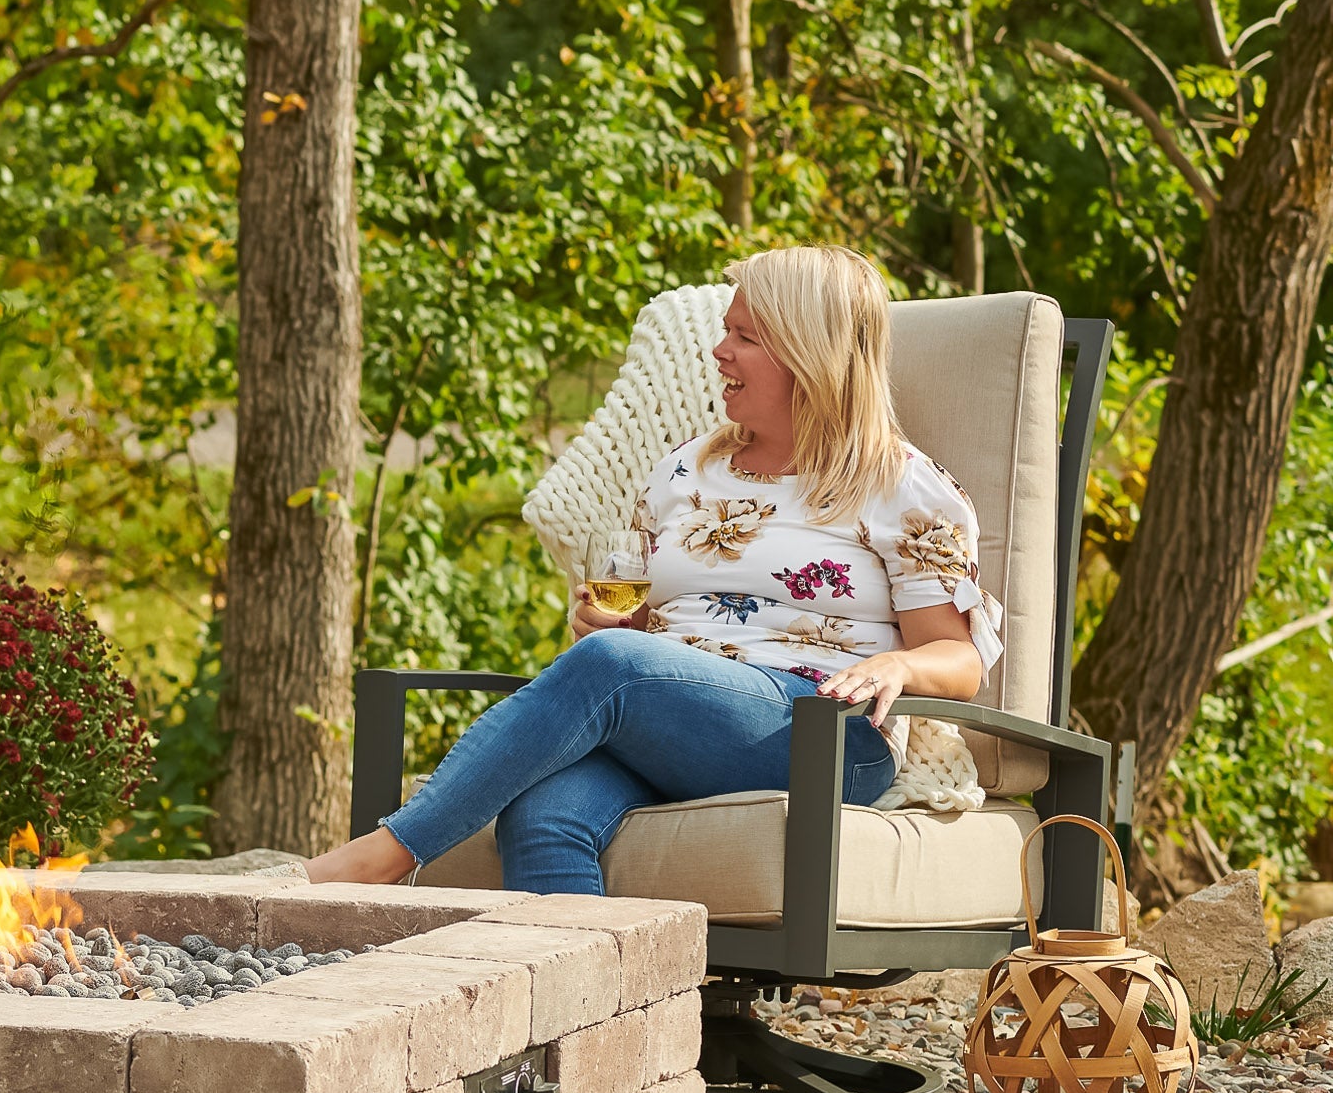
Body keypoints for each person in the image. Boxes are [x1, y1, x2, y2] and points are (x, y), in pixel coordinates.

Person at [308, 244, 1002, 895]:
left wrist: (901, 668)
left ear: (810, 356)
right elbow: (623, 618)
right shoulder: (685, 468)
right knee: (544, 815)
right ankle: (585, 1024)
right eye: (725, 330)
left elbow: (959, 661)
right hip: (670, 713)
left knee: (616, 663)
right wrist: (608, 622)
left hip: (822, 734)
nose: (718, 351)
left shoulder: (901, 486)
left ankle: (382, 856)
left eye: (745, 338)